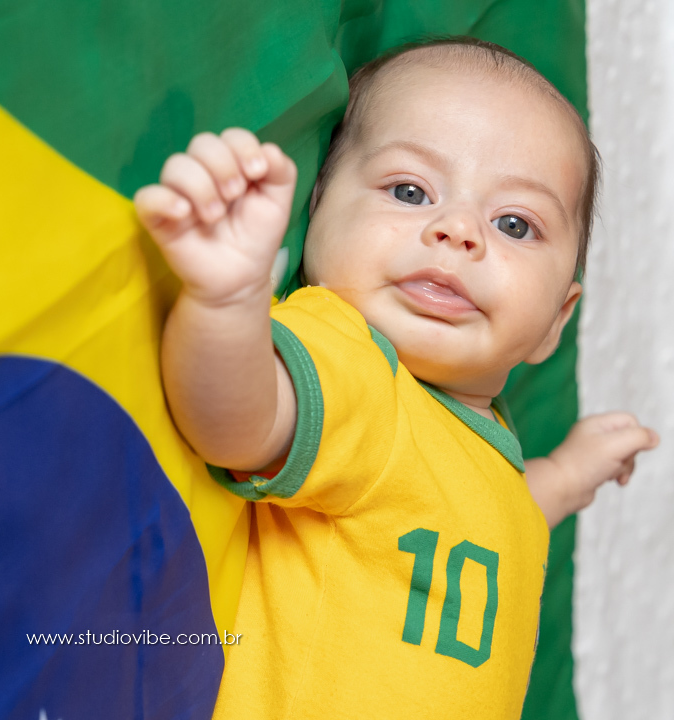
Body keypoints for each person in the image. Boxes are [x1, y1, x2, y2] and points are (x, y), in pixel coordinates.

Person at [133, 39, 660, 719]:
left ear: (556, 321)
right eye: (410, 191)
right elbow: (239, 423)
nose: (458, 230)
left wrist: (563, 475)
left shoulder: (470, 437)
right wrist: (228, 302)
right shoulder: (354, 363)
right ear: (318, 209)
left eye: (514, 223)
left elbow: (474, 516)